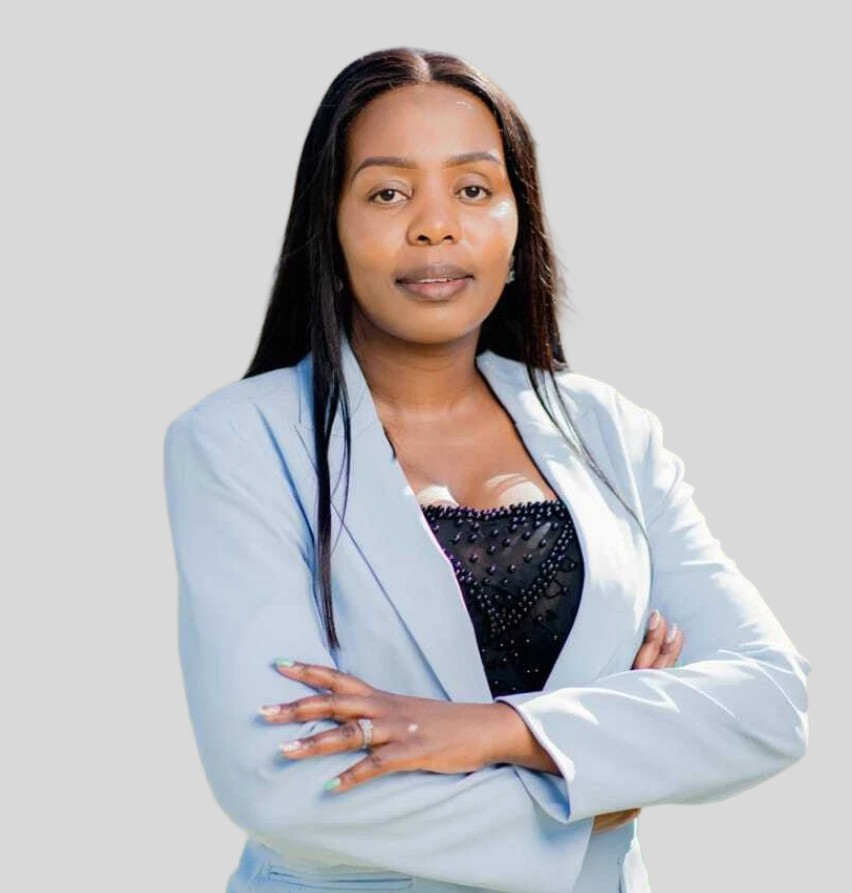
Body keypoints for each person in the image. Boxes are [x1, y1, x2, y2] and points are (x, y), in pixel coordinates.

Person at [162, 47, 811, 893]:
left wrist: (503, 729)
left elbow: (768, 701)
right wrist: (596, 781)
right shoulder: (239, 441)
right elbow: (277, 778)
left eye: (473, 189)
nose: (436, 225)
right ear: (330, 225)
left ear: (518, 222)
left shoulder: (610, 430)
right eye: (388, 192)